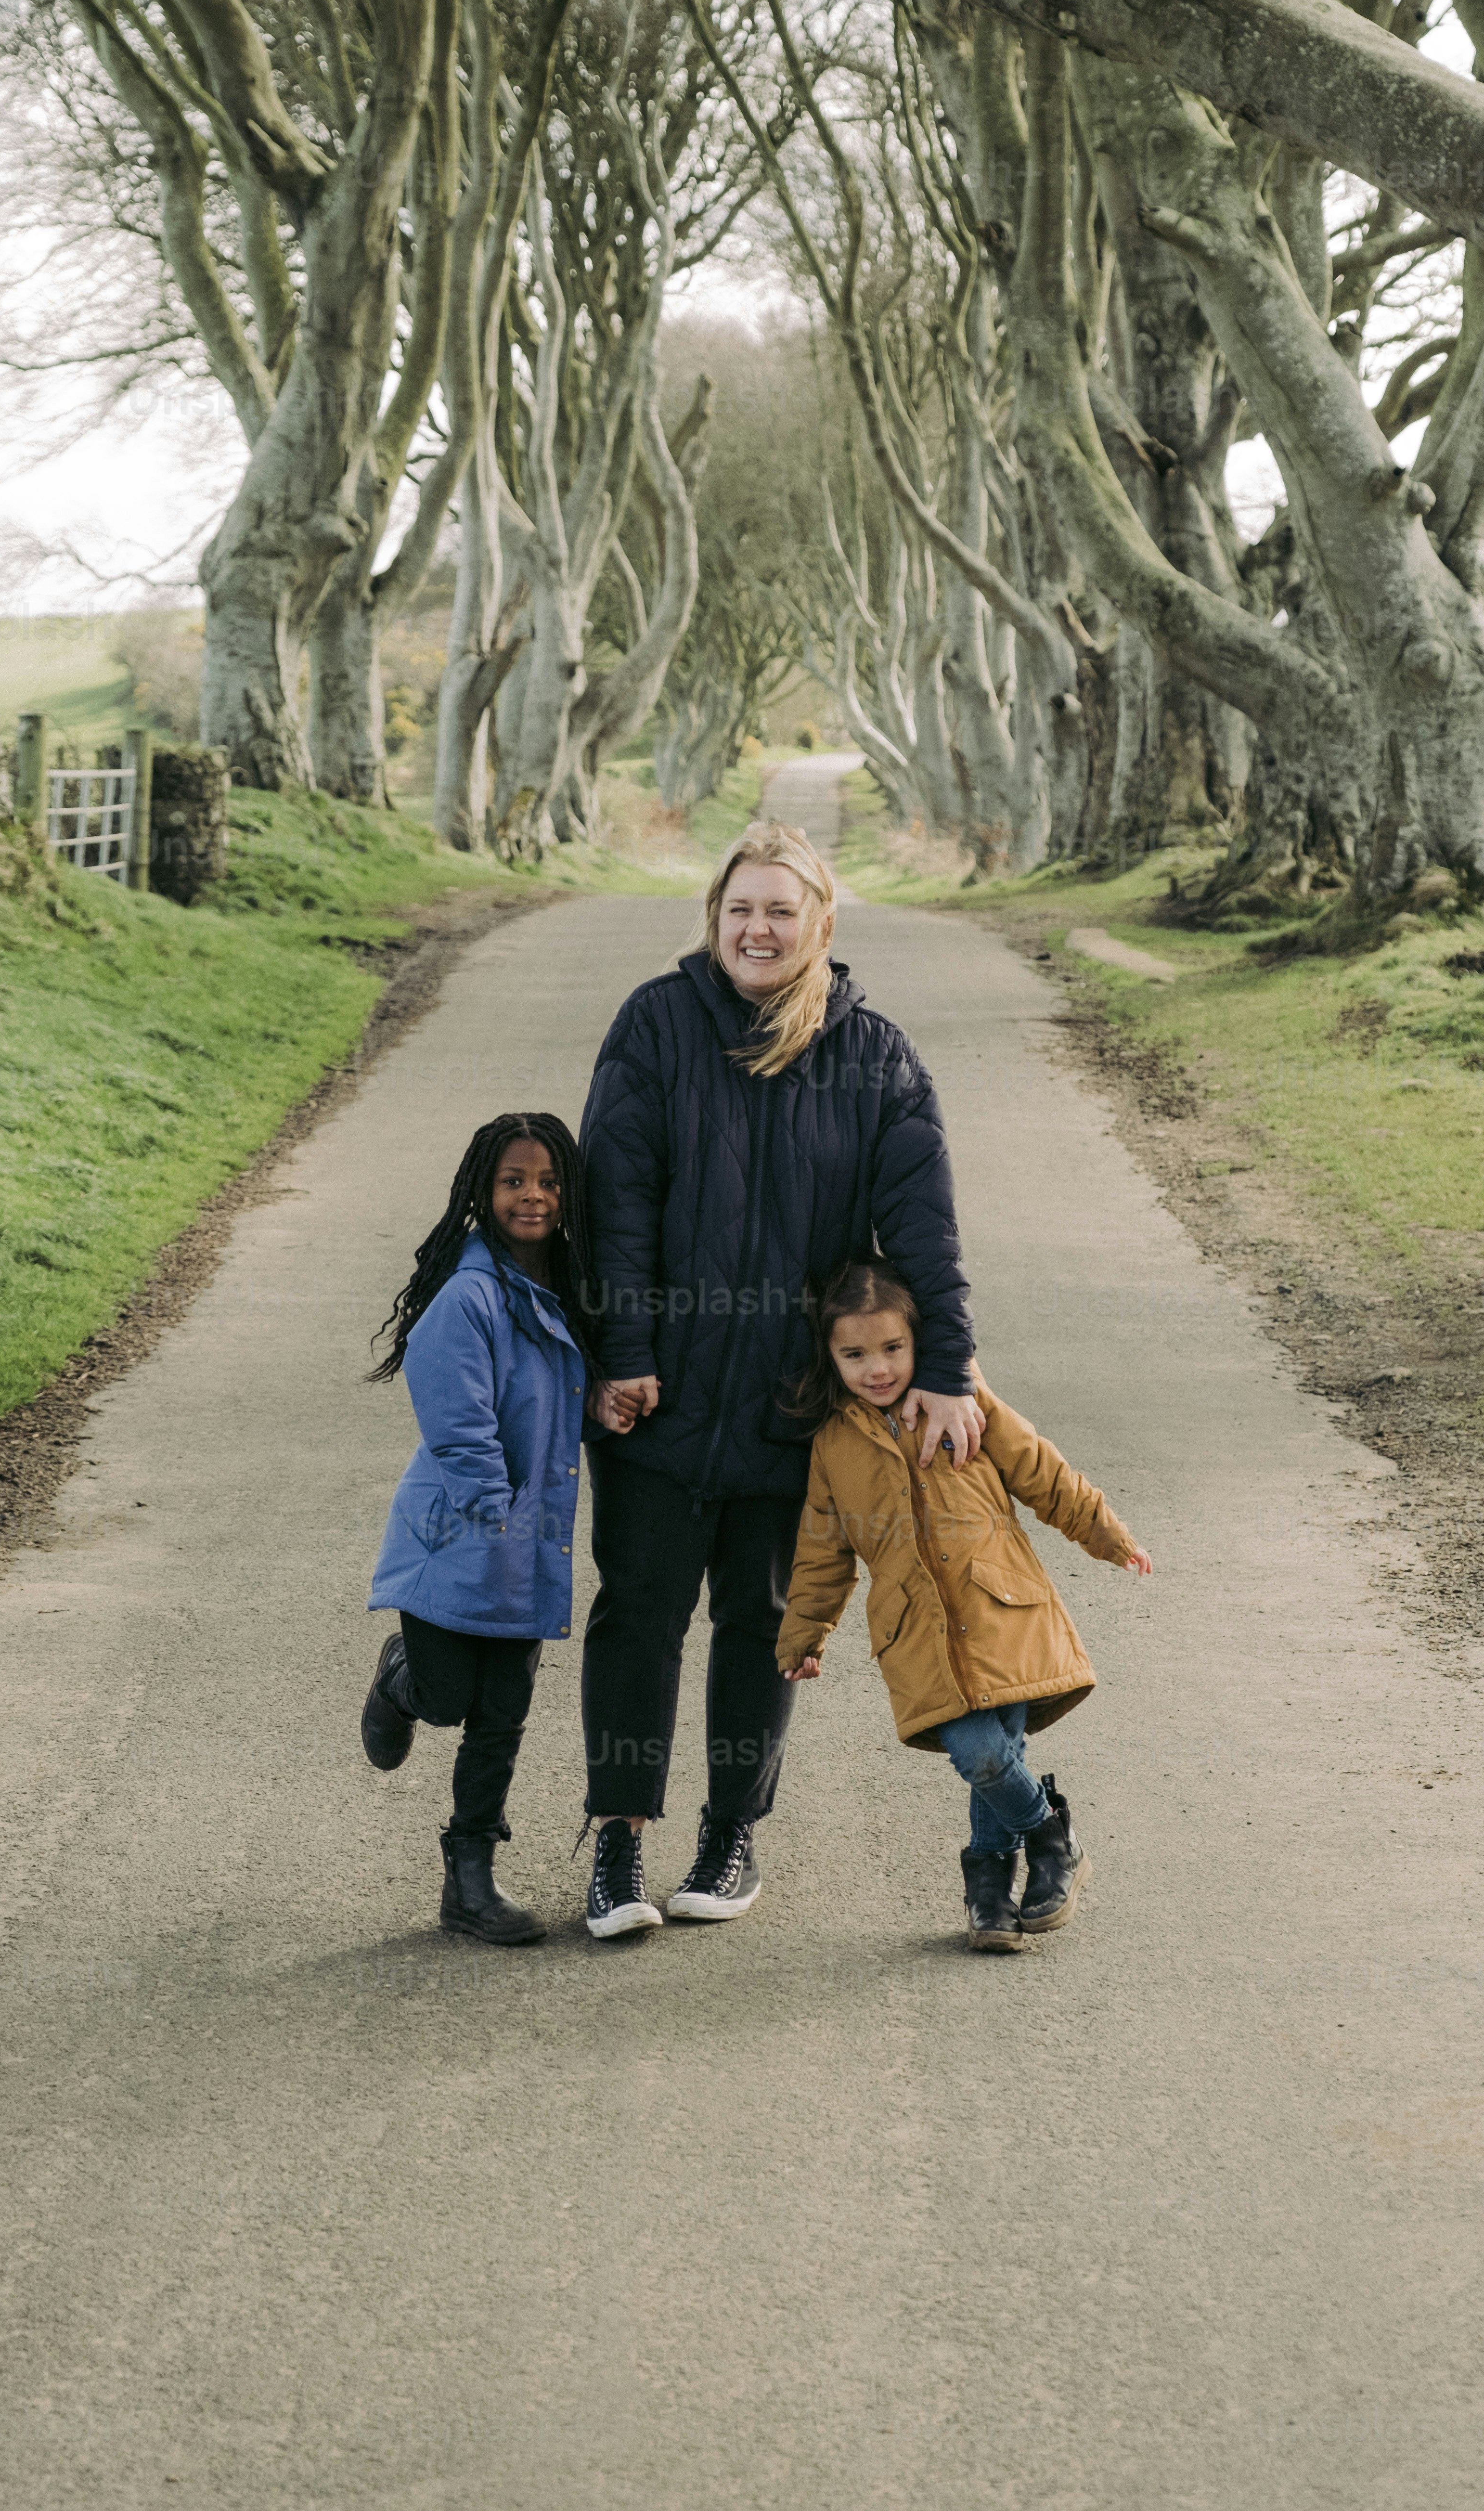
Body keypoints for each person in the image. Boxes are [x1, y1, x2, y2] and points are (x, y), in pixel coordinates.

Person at [576, 817, 984, 1942]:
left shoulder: (878, 1059)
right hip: (653, 1400)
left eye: (779, 910)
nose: (757, 929)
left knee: (762, 1621)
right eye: (739, 909)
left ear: (820, 925)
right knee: (638, 1612)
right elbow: (615, 1206)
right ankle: (615, 1844)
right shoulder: (655, 1028)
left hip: (794, 1408)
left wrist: (941, 1366)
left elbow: (923, 1232)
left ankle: (728, 1834)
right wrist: (624, 1355)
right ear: (713, 919)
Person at [775, 1256, 1153, 1951]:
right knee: (983, 1753)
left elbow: (1040, 1470)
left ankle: (990, 1889)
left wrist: (1107, 1534)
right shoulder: (833, 1443)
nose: (878, 1368)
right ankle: (1049, 1836)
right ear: (830, 1357)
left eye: (893, 1347)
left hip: (999, 1605)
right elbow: (823, 1549)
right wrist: (804, 1634)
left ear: (919, 1340)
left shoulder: (961, 1399)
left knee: (990, 1752)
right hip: (917, 1632)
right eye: (855, 1354)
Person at [362, 1113, 615, 1945]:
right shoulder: (468, 1296)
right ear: (484, 1191)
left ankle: (468, 1879)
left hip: (526, 1545)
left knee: (502, 1713)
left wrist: (603, 1409)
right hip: (455, 1539)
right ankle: (401, 1678)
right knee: (447, 1700)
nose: (533, 1195)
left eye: (547, 1181)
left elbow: (554, 1407)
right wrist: (494, 1512)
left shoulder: (567, 1290)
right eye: (513, 1181)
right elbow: (459, 1422)